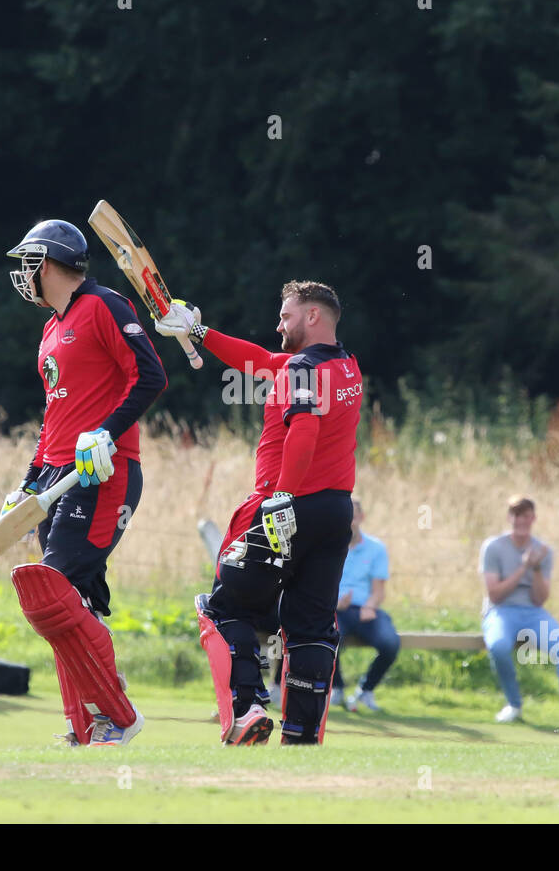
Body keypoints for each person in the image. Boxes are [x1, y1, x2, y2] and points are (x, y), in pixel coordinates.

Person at [157, 282, 361, 745]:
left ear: (312, 317)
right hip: (334, 511)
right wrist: (200, 331)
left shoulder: (303, 369)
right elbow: (259, 362)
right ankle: (303, 735)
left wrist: (281, 497)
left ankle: (246, 710)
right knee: (311, 626)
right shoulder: (346, 366)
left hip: (285, 506)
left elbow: (304, 430)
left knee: (225, 606)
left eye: (286, 316)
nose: (278, 324)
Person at [2, 218, 166, 747]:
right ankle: (84, 728)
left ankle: (117, 715)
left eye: (29, 263)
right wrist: (29, 481)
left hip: (101, 473)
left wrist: (107, 433)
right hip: (55, 477)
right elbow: (53, 416)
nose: (25, 275)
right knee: (76, 606)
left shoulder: (104, 305)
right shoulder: (52, 327)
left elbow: (151, 375)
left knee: (50, 595)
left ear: (47, 264)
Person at [479, 496, 559, 730]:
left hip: (532, 612)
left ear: (533, 518)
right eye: (516, 515)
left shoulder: (543, 551)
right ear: (509, 517)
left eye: (526, 515)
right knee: (498, 647)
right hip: (500, 611)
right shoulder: (493, 547)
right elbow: (495, 595)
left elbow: (540, 599)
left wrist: (537, 568)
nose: (521, 520)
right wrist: (523, 568)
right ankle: (514, 705)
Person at [330, 498, 398, 713]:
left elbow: (379, 590)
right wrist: (334, 602)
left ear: (361, 517)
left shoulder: (376, 548)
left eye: (354, 515)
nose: (350, 520)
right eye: (346, 515)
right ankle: (337, 688)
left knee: (390, 643)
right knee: (329, 636)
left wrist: (370, 606)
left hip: (365, 609)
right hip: (335, 609)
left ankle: (365, 690)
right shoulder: (328, 547)